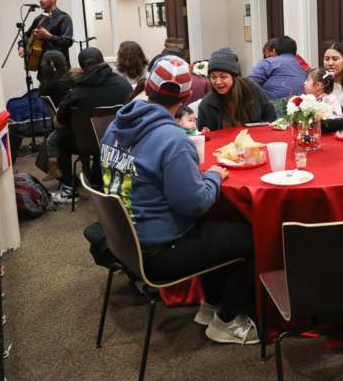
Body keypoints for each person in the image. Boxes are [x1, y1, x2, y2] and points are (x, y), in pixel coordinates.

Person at [100, 56, 258, 345]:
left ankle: (210, 306)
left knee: (215, 225)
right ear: (186, 96)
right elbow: (195, 203)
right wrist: (213, 177)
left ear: (148, 86)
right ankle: (228, 320)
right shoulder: (171, 140)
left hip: (123, 240)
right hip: (158, 251)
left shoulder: (115, 126)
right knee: (249, 235)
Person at [51, 47, 132, 203]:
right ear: (103, 61)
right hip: (119, 143)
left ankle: (68, 188)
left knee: (59, 141)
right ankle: (100, 177)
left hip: (86, 144)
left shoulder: (76, 92)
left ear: (81, 68)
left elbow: (59, 124)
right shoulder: (123, 85)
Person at [197, 47, 276, 131]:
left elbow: (271, 117)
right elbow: (205, 136)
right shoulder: (206, 105)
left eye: (223, 77)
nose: (218, 82)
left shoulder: (251, 89)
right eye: (213, 77)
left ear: (234, 77)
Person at [37, 50, 72, 181]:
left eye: (43, 63)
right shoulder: (63, 82)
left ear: (51, 64)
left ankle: (55, 170)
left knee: (52, 140)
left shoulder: (52, 84)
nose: (41, 66)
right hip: (67, 122)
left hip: (63, 123)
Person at [18, 0, 74, 66]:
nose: (40, 0)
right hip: (42, 66)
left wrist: (49, 36)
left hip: (58, 67)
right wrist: (21, 46)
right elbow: (27, 35)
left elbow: (68, 42)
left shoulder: (64, 18)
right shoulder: (39, 18)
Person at [248, 36, 307, 100]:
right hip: (299, 106)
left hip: (272, 105)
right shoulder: (302, 66)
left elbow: (249, 84)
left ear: (274, 50)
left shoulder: (268, 62)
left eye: (269, 56)